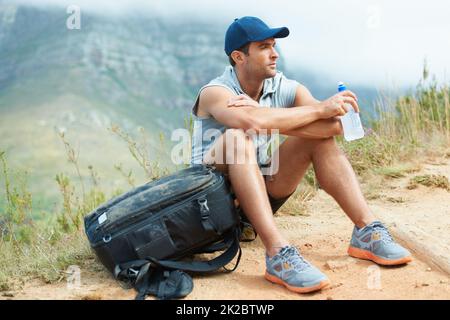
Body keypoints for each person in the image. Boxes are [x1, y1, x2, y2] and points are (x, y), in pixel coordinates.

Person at [190, 16, 412, 294]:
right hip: (207, 208)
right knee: (237, 137)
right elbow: (251, 124)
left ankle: (366, 231)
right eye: (264, 47)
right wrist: (315, 110)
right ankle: (277, 253)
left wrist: (272, 115)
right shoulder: (215, 92)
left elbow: (334, 126)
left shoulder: (283, 87)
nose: (274, 53)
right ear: (239, 56)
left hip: (255, 201)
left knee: (318, 139)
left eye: (274, 45)